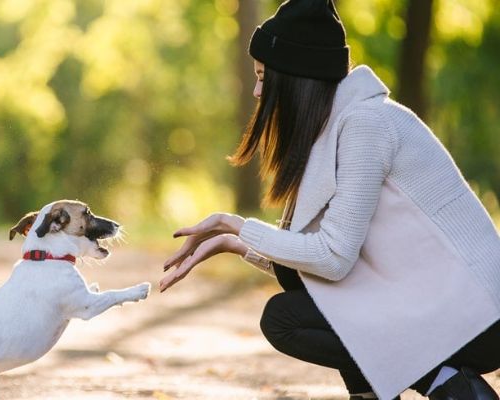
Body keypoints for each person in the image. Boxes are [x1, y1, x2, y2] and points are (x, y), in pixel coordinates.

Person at [159, 1, 500, 399]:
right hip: (437, 305)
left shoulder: (365, 125)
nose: (256, 91)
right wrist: (241, 245)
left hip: (476, 316)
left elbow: (334, 260)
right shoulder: (339, 127)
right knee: (315, 299)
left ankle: (451, 385)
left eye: (263, 76)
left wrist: (240, 226)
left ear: (297, 77)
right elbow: (334, 261)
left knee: (286, 317)